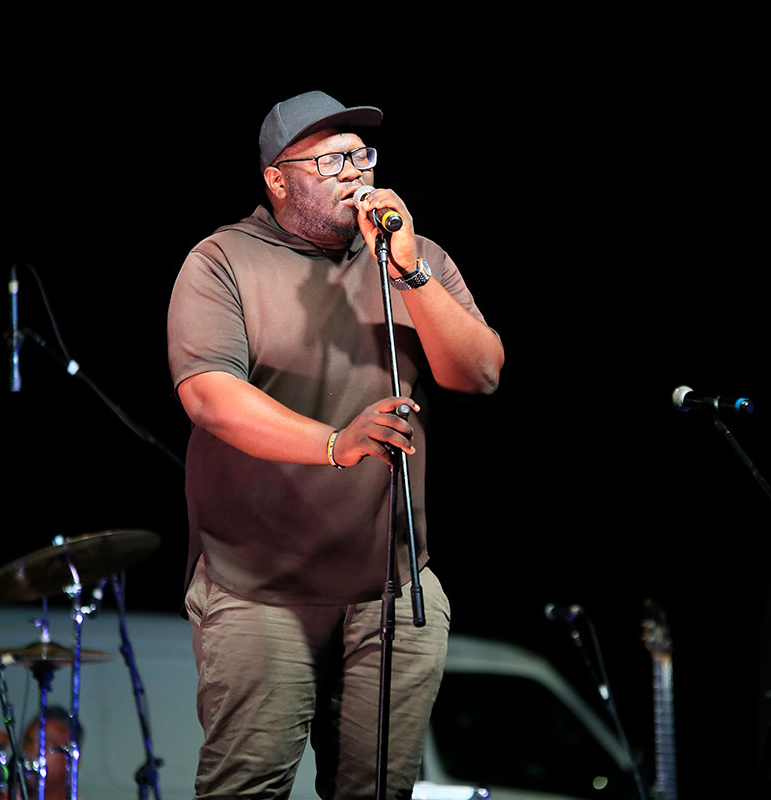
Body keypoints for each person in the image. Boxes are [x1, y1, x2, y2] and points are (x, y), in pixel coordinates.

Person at [167, 91, 504, 799]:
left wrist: (410, 270)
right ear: (277, 178)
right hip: (259, 591)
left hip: (391, 590)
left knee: (378, 791)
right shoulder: (222, 261)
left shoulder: (412, 259)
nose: (353, 171)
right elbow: (208, 397)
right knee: (247, 789)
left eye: (360, 155)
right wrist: (332, 442)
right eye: (330, 158)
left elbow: (479, 374)